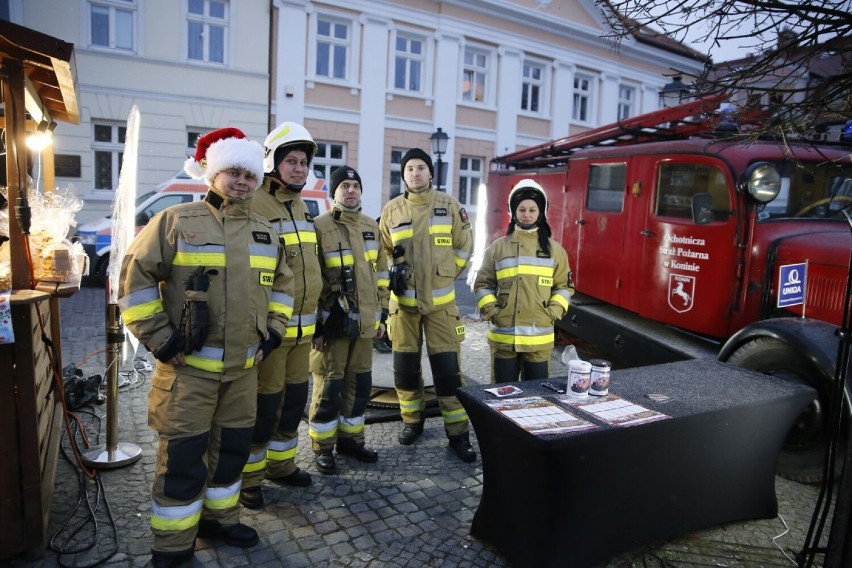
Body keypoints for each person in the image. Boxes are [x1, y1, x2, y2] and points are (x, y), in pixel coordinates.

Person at [117, 127, 294, 567]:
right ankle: (173, 546)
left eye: (249, 175)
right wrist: (159, 338)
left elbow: (283, 289)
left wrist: (272, 333)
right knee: (182, 456)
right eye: (232, 172)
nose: (241, 182)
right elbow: (133, 279)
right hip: (188, 371)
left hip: (242, 370)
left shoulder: (265, 232)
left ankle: (220, 518)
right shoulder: (178, 220)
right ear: (213, 175)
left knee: (231, 453)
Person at [240, 122, 322, 510]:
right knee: (263, 408)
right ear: (272, 163)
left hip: (303, 333)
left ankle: (282, 465)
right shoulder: (254, 203)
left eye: (303, 162)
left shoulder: (302, 207)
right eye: (291, 161)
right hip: (271, 334)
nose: (298, 169)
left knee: (292, 405)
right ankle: (249, 480)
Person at [378, 147, 476, 463]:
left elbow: (464, 248)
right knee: (405, 372)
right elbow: (383, 256)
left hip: (441, 309)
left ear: (430, 173)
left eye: (421, 167)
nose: (416, 173)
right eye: (410, 169)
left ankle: (458, 435)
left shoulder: (450, 207)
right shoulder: (391, 211)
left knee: (448, 374)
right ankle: (412, 422)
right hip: (403, 309)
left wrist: (443, 274)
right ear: (403, 175)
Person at [308, 165, 389, 474]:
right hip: (333, 325)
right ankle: (323, 446)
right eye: (344, 185)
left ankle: (352, 440)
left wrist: (382, 315)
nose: (351, 190)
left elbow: (381, 276)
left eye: (355, 185)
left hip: (366, 324)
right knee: (329, 385)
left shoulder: (371, 226)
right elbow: (312, 279)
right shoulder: (319, 226)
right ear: (334, 192)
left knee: (359, 384)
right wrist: (316, 325)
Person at [474, 179, 574, 383]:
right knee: (501, 397)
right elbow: (483, 284)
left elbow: (564, 288)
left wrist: (552, 313)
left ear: (541, 212)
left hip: (539, 343)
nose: (527, 214)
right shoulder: (497, 248)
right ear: (513, 212)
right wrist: (493, 312)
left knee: (536, 400)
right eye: (521, 209)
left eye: (532, 210)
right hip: (504, 340)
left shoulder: (555, 251)